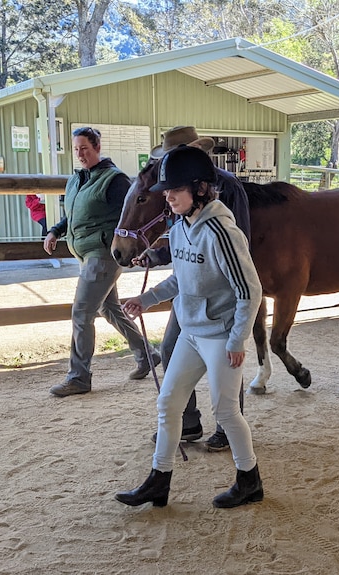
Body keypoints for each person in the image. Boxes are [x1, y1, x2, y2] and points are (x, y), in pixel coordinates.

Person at [116, 145, 264, 508]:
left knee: (227, 412)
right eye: (166, 192)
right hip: (192, 332)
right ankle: (158, 480)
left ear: (200, 189)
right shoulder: (180, 227)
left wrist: (237, 339)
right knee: (168, 402)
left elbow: (250, 290)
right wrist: (146, 299)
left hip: (220, 336)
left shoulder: (220, 231)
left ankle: (250, 480)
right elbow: (182, 280)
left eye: (175, 190)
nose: (168, 197)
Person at [136, 126, 251, 452]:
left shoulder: (225, 187)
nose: (168, 194)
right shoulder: (175, 192)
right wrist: (157, 256)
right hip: (190, 290)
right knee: (170, 347)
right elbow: (181, 237)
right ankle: (187, 422)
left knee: (227, 374)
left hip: (221, 295)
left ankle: (230, 427)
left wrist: (237, 323)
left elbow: (238, 243)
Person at [43, 126, 159, 397]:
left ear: (97, 147)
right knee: (109, 309)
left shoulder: (115, 180)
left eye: (84, 148)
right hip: (86, 254)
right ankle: (147, 354)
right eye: (76, 149)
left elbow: (132, 215)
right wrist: (55, 231)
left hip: (105, 254)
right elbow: (73, 214)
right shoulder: (78, 179)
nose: (80, 154)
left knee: (82, 312)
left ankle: (79, 376)